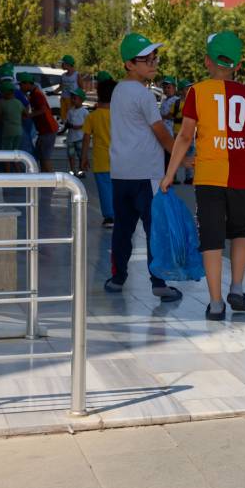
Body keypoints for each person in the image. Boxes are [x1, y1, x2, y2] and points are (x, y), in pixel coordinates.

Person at [162, 31, 245, 321]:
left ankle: (215, 304)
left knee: (211, 238)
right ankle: (236, 287)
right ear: (238, 65)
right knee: (240, 230)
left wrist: (169, 174)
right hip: (241, 176)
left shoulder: (196, 93)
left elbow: (186, 135)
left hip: (209, 176)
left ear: (207, 61)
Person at [105, 33, 182, 303]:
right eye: (146, 59)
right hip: (146, 174)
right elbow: (161, 134)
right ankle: (159, 283)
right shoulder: (145, 96)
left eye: (154, 58)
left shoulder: (118, 91)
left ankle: (117, 278)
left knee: (122, 229)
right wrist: (182, 158)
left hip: (120, 173)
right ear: (129, 64)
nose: (153, 63)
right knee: (154, 229)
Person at [82, 78, 116, 228]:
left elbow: (86, 138)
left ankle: (109, 217)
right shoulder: (119, 116)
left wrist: (83, 158)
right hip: (120, 160)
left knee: (105, 190)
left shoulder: (92, 117)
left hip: (101, 160)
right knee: (118, 189)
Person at [17, 72, 58, 172]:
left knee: (45, 157)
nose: (20, 87)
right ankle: (45, 178)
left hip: (48, 129)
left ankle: (50, 181)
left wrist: (29, 115)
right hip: (44, 130)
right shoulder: (33, 93)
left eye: (21, 84)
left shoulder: (37, 94)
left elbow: (43, 109)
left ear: (27, 83)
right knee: (41, 155)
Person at [0, 77, 28, 170]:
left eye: (2, 92)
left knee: (6, 153)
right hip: (19, 131)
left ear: (5, 92)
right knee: (16, 153)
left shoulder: (2, 103)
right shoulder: (19, 102)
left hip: (8, 131)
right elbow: (26, 114)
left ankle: (8, 173)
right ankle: (18, 172)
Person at [65, 88, 89, 177]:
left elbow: (87, 124)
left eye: (75, 98)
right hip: (71, 137)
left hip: (80, 137)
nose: (72, 100)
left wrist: (78, 127)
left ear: (81, 100)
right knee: (71, 155)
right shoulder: (70, 111)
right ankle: (72, 170)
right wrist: (68, 125)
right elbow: (67, 122)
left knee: (80, 155)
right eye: (72, 98)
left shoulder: (85, 112)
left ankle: (81, 171)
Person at [58, 55, 79, 133]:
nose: (61, 65)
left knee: (73, 117)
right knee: (64, 118)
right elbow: (61, 87)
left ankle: (73, 134)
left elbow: (81, 87)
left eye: (62, 63)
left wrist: (78, 99)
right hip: (64, 99)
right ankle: (69, 134)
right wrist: (53, 92)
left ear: (68, 64)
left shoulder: (76, 75)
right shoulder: (63, 76)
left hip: (72, 100)